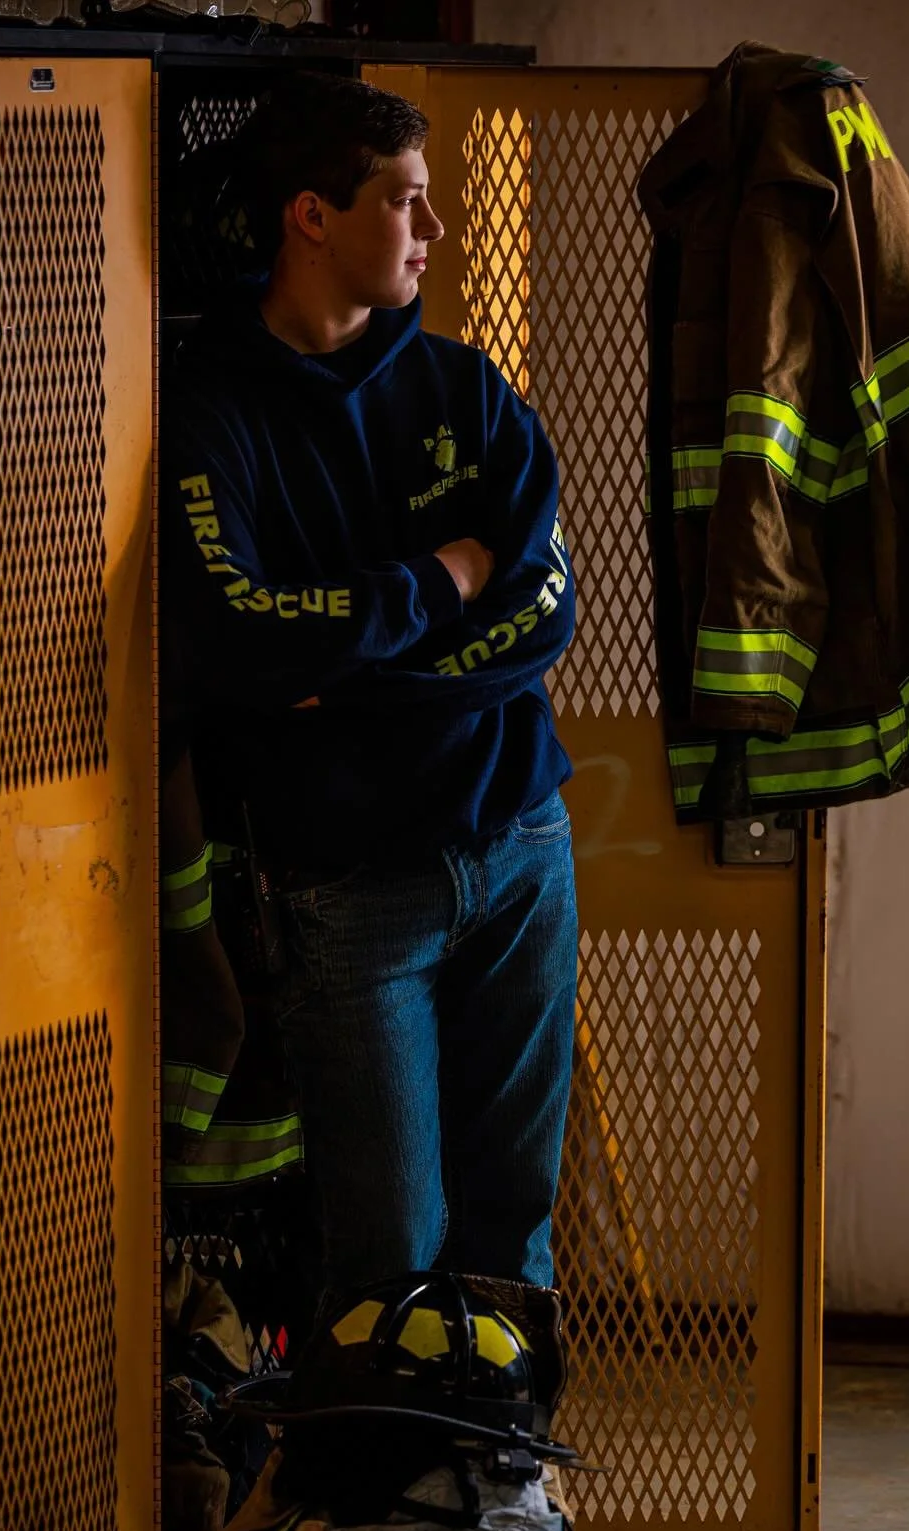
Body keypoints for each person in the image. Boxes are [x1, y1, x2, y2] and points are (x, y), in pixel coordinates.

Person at [162, 74, 578, 1299]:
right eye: (405, 202)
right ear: (312, 216)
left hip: (519, 846)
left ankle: (504, 1486)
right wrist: (442, 582)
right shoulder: (211, 416)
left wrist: (341, 676)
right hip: (345, 890)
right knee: (388, 1246)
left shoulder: (467, 389)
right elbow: (235, 642)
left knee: (513, 1224)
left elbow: (542, 611)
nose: (432, 232)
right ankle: (385, 1491)